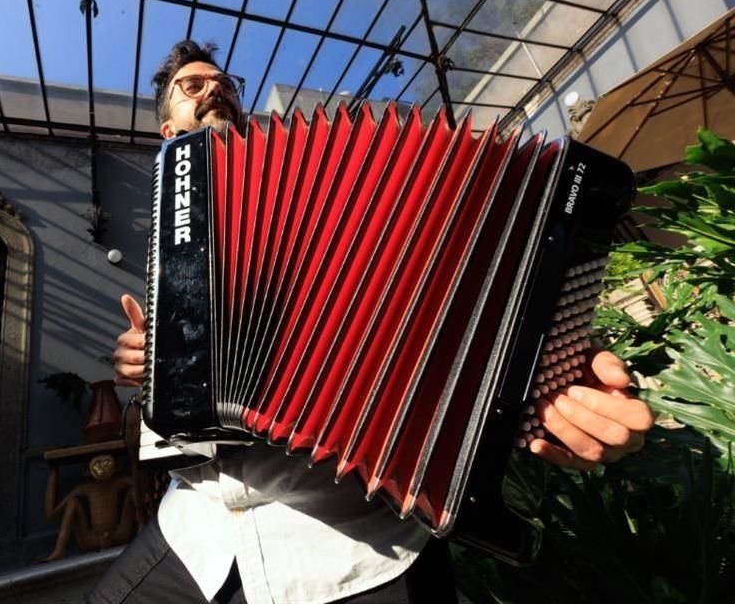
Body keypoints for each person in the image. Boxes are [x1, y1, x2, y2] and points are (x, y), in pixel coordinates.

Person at [89, 40, 654, 604]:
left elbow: (459, 290)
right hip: (197, 530)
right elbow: (180, 405)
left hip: (358, 547)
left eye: (227, 83)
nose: (215, 88)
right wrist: (148, 366)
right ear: (168, 131)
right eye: (193, 86)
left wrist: (542, 363)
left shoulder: (313, 180)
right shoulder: (171, 245)